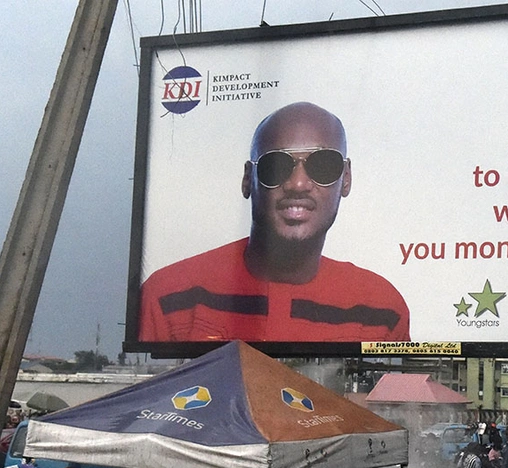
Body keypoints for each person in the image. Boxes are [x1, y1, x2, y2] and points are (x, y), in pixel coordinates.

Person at [139, 101, 410, 343]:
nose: (298, 184)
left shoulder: (382, 311)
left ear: (346, 179)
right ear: (248, 179)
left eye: (324, 165)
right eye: (277, 165)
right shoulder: (169, 298)